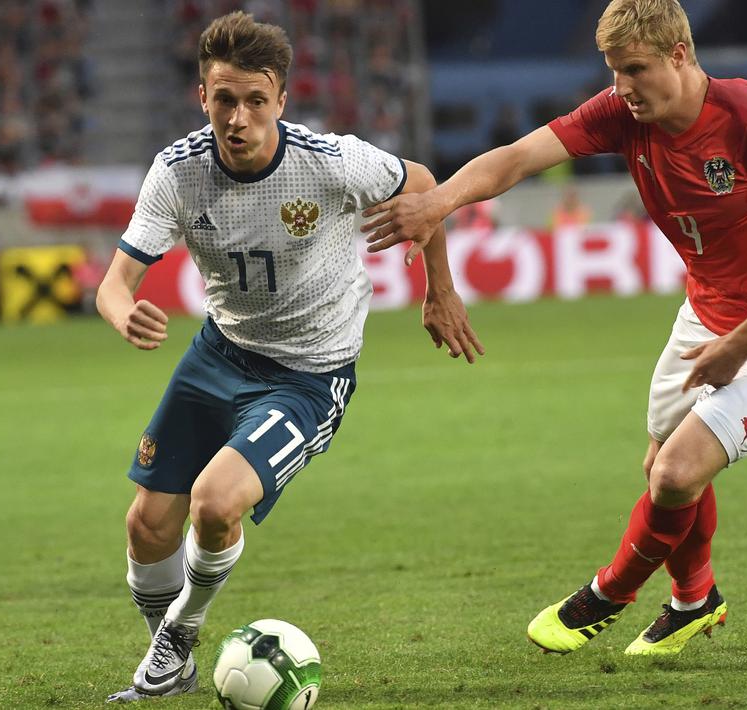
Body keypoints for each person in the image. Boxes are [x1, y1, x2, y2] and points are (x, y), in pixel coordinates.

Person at [361, 0, 747, 658]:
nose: (621, 86)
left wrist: (737, 347)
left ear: (679, 54)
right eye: (613, 70)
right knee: (660, 470)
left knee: (675, 473)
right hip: (706, 316)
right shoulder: (622, 113)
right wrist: (437, 200)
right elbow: (516, 157)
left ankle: (607, 592)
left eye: (635, 69)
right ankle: (693, 599)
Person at [95, 11, 482, 703]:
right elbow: (113, 284)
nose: (236, 117)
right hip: (219, 353)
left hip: (308, 377)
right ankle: (172, 657)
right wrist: (124, 313)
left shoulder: (329, 162)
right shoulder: (178, 173)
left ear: (280, 98)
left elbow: (421, 182)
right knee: (146, 525)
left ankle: (179, 633)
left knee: (215, 504)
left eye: (252, 100)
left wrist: (440, 293)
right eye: (223, 99)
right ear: (202, 98)